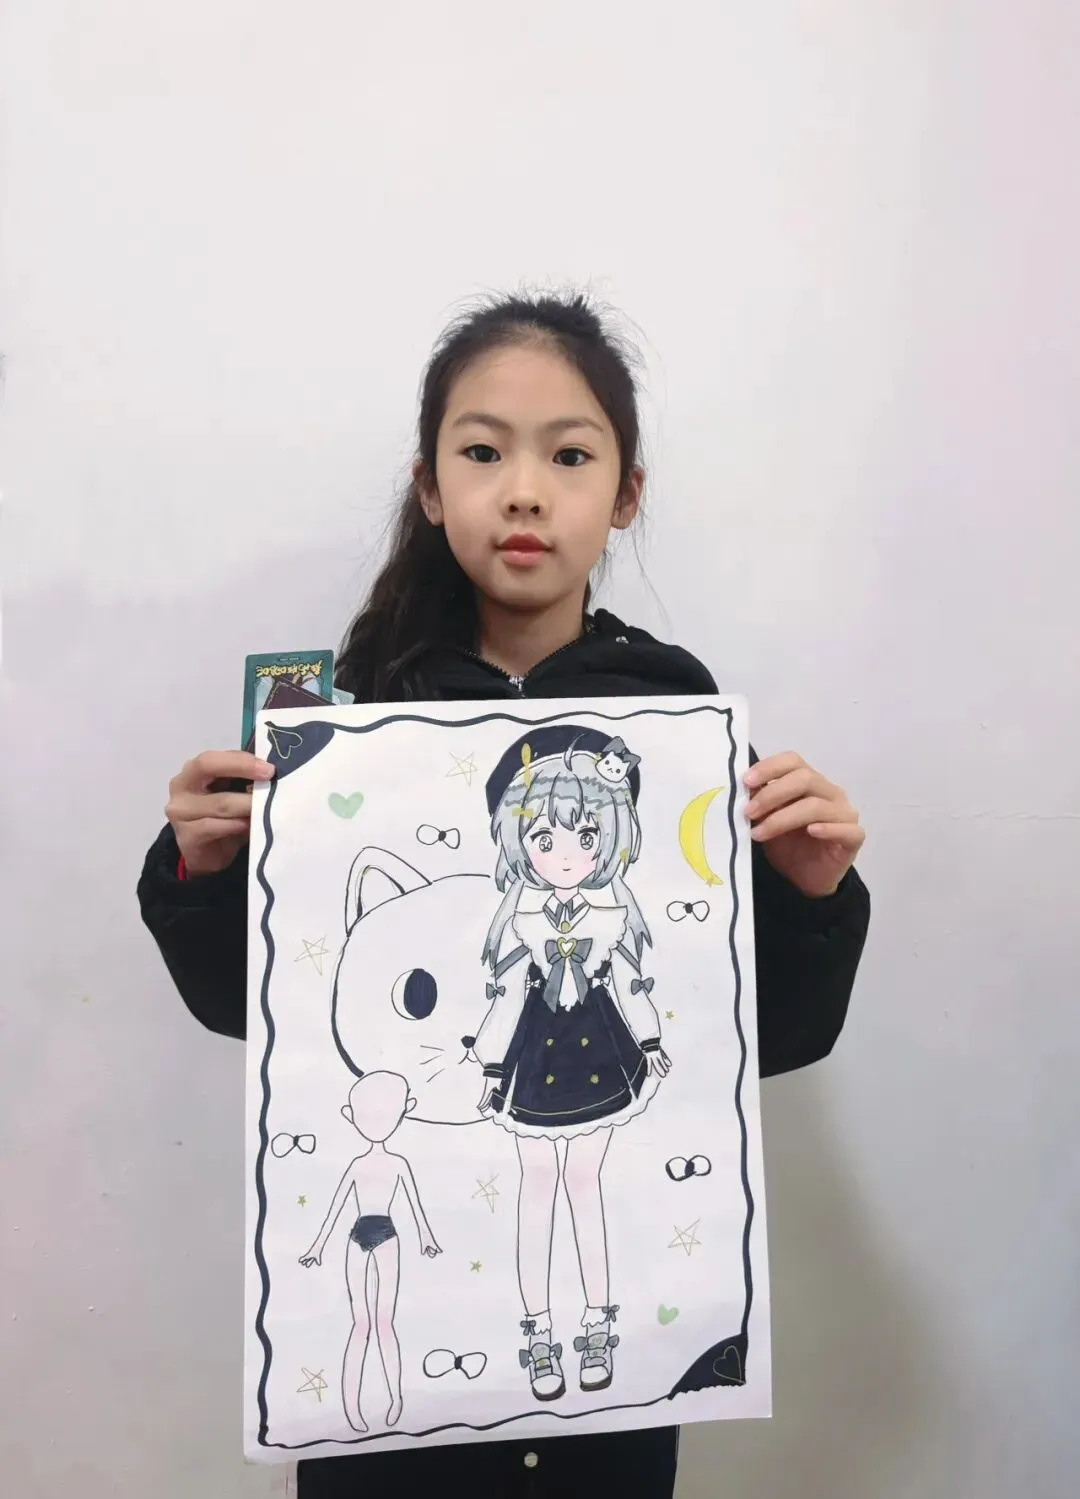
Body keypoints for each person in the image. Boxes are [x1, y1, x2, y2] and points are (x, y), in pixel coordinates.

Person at [138, 290, 870, 1499]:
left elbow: (770, 1035)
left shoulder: (677, 721)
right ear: (429, 486)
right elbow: (256, 1014)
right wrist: (205, 870)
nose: (524, 492)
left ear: (626, 493)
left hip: (609, 1405)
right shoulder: (346, 720)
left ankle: (572, 1326)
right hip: (396, 1407)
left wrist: (809, 892)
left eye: (569, 456)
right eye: (483, 452)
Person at [476, 727, 667, 1402]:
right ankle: (537, 1333)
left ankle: (596, 1324)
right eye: (544, 838)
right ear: (519, 840)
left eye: (587, 837)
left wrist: (650, 1041)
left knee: (585, 1182)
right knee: (536, 1184)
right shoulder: (519, 917)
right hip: (535, 1052)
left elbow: (630, 986)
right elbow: (504, 996)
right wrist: (491, 1066)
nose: (566, 855)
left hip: (598, 1047)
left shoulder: (613, 913)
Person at [299, 1072, 441, 1433]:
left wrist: (426, 1236)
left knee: (384, 1323)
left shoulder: (398, 1164)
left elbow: (415, 1205)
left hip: (387, 1236)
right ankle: (351, 1406)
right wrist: (317, 1246)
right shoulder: (357, 1165)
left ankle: (396, 1398)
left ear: (405, 1110)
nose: (377, 1121)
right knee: (360, 1324)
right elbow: (335, 1207)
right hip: (358, 1237)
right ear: (351, 1116)